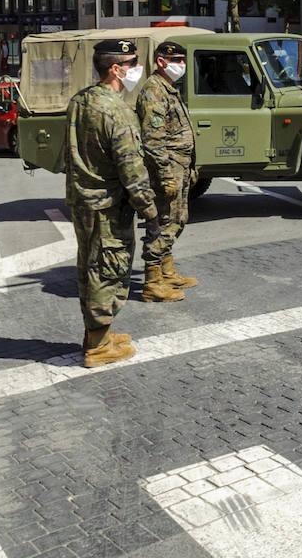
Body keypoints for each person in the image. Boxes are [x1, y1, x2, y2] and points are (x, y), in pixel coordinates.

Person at [65, 38, 160, 368]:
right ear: (116, 69)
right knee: (108, 270)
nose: (138, 68)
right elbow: (131, 167)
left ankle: (98, 334)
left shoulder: (81, 101)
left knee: (90, 267)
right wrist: (150, 211)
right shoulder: (116, 110)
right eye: (133, 63)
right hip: (107, 205)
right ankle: (98, 346)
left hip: (84, 201)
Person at [135, 40, 198, 302]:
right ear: (161, 62)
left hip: (179, 165)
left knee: (177, 219)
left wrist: (191, 166)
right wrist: (165, 175)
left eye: (183, 61)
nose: (181, 66)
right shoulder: (154, 92)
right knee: (163, 222)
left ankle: (167, 272)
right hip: (168, 167)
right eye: (176, 61)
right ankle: (152, 284)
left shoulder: (168, 88)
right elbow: (153, 140)